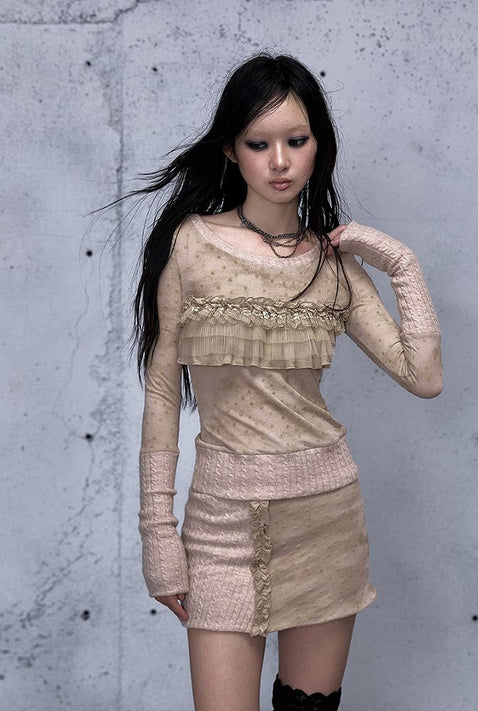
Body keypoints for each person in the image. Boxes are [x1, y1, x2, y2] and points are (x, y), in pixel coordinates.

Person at [133, 53, 442, 711]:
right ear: (230, 150)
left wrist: (401, 264)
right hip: (220, 522)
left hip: (326, 517)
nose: (279, 161)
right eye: (258, 143)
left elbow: (424, 377)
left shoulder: (333, 266)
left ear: (317, 146)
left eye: (296, 140)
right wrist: (157, 532)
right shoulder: (190, 244)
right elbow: (161, 392)